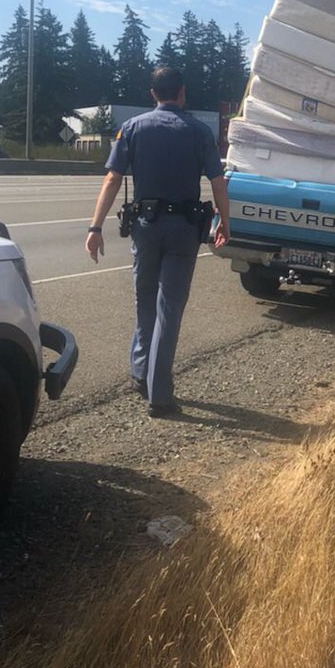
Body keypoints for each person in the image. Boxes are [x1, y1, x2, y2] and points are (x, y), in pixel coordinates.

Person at [85, 66, 230, 417]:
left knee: (145, 300)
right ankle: (160, 395)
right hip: (183, 230)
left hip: (145, 227)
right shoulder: (199, 131)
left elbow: (112, 179)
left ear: (153, 94)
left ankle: (141, 372)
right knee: (169, 308)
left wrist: (95, 227)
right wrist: (224, 222)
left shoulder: (132, 128)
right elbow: (217, 181)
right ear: (182, 92)